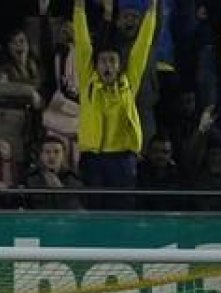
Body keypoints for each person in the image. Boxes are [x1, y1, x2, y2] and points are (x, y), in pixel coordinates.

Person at [73, 0, 157, 202]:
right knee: (94, 214)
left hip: (123, 159)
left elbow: (142, 45)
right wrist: (79, 8)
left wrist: (152, 10)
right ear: (96, 64)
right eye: (103, 61)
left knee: (123, 212)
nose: (108, 66)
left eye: (112, 61)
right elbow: (83, 43)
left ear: (120, 65)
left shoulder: (129, 83)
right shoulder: (88, 82)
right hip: (93, 158)